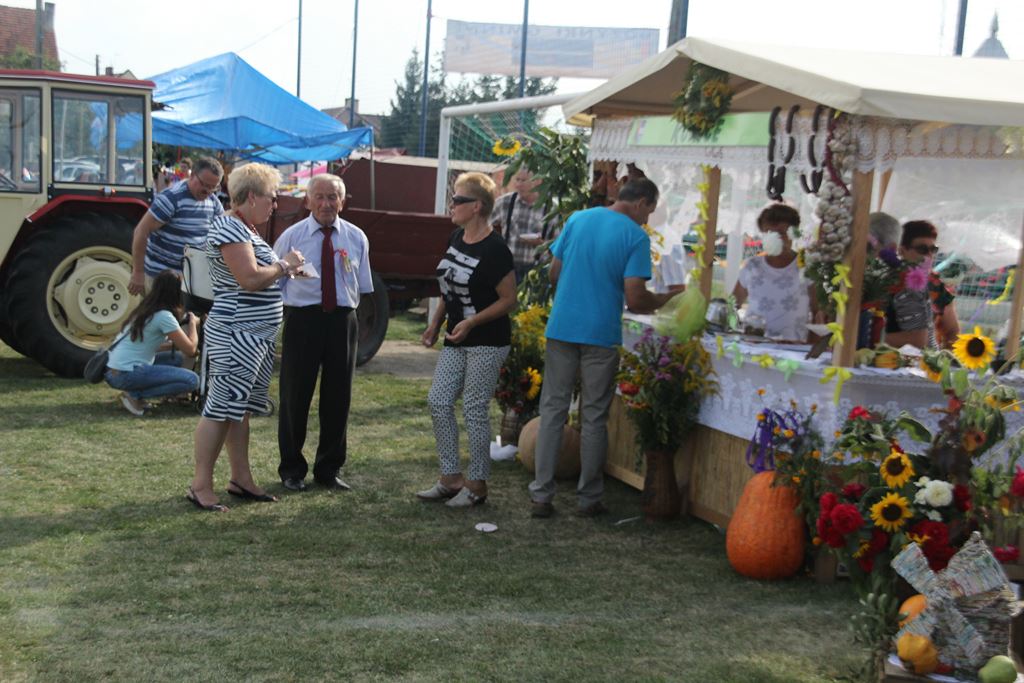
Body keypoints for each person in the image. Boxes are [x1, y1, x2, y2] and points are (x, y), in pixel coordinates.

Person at [528, 177, 682, 518]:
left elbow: (554, 273)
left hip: (563, 326)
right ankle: (589, 498)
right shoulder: (635, 237)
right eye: (650, 212)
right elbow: (637, 299)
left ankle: (541, 495)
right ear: (641, 202)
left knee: (552, 411)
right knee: (594, 417)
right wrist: (669, 298)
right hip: (600, 333)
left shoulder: (579, 219)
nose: (648, 219)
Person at [188, 163, 305, 512]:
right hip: (237, 333)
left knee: (238, 411)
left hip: (251, 335)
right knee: (221, 409)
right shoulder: (230, 228)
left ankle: (240, 478)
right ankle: (200, 484)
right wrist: (284, 265)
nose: (275, 205)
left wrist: (285, 269)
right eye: (272, 198)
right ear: (251, 196)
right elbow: (250, 279)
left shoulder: (243, 227)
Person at [417, 172, 516, 508]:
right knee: (439, 400)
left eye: (458, 200)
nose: (452, 205)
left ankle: (477, 485)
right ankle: (450, 479)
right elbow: (449, 285)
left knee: (474, 408)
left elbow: (508, 299)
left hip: (487, 338)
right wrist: (435, 322)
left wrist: (473, 321)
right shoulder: (457, 236)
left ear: (476, 206)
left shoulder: (496, 248)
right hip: (457, 335)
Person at [274, 174, 374, 492]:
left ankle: (328, 469)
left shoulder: (357, 237)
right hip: (303, 320)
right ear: (307, 201)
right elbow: (275, 284)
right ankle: (291, 469)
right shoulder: (291, 236)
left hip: (343, 321)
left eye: (333, 197)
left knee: (338, 397)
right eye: (319, 196)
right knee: (295, 395)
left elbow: (363, 285)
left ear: (342, 201)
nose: (326, 203)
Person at [104, 270, 199, 416]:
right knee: (191, 380)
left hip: (113, 371)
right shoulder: (164, 316)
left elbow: (145, 345)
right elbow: (191, 350)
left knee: (176, 358)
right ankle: (135, 395)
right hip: (127, 373)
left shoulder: (144, 311)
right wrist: (193, 323)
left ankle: (133, 393)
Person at [129, 156, 224, 295]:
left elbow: (221, 233)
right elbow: (141, 232)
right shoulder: (171, 198)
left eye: (213, 187)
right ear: (192, 176)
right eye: (204, 184)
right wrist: (138, 272)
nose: (207, 191)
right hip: (160, 280)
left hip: (188, 281)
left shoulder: (213, 202)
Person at [732, 204, 811, 341]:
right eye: (769, 233)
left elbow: (819, 312)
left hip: (794, 349)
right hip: (754, 345)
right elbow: (732, 304)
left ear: (793, 233)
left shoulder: (806, 265)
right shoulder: (752, 266)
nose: (776, 239)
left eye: (781, 233)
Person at [885, 220, 959, 349]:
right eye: (922, 249)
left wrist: (943, 360)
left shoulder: (937, 287)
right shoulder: (881, 280)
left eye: (933, 249)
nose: (929, 255)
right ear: (902, 250)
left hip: (921, 363)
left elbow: (952, 331)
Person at [490, 167, 552, 282]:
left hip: (536, 272)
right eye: (517, 180)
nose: (518, 185)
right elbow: (484, 228)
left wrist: (542, 244)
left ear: (538, 181)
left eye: (523, 181)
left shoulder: (551, 208)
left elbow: (559, 246)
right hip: (506, 269)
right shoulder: (505, 202)